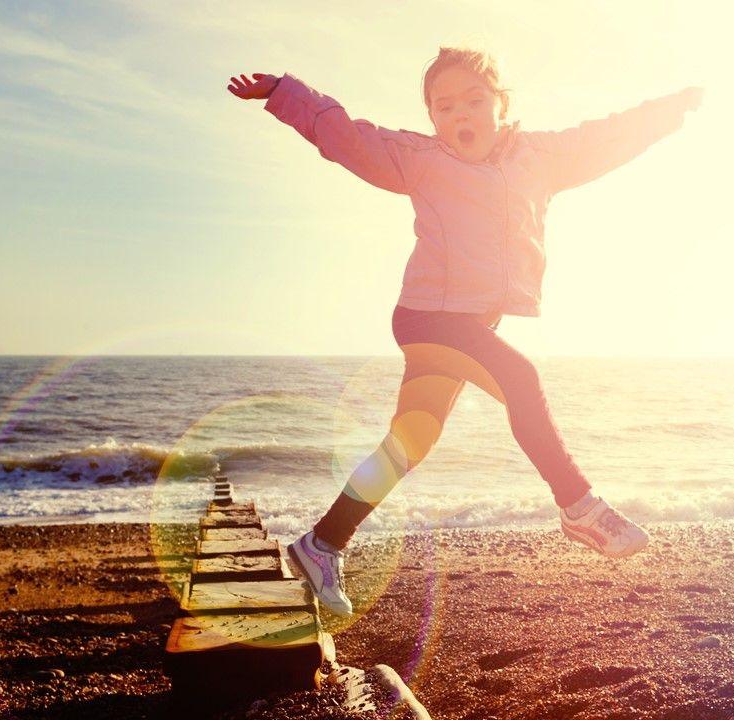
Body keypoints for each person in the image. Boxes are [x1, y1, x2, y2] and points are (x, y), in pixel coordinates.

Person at [228, 47, 703, 617]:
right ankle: (580, 507)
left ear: (501, 105)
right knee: (519, 376)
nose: (461, 115)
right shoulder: (420, 158)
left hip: (467, 324)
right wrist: (284, 92)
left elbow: (603, 138)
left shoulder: (540, 157)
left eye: (475, 100)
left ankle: (320, 544)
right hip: (429, 316)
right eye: (444, 105)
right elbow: (346, 135)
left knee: (409, 443)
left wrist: (667, 112)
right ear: (432, 116)